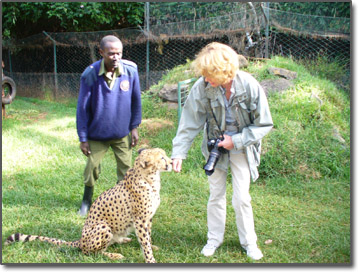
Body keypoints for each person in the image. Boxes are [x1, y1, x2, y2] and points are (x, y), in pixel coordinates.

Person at [171, 42, 273, 260]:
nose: (206, 79)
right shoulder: (202, 87)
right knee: (215, 194)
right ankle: (213, 239)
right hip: (215, 146)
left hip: (241, 147)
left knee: (242, 197)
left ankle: (249, 243)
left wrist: (235, 140)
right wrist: (179, 152)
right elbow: (189, 121)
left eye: (210, 75)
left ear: (223, 71)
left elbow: (264, 125)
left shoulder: (250, 86)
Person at [76, 35, 142, 216]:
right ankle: (86, 200)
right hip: (97, 134)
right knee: (91, 167)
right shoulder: (90, 75)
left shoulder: (130, 71)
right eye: (111, 54)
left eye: (119, 53)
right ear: (101, 53)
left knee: (127, 170)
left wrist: (134, 126)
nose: (116, 57)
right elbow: (82, 108)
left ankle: (125, 202)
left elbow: (136, 100)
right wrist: (83, 138)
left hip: (121, 133)